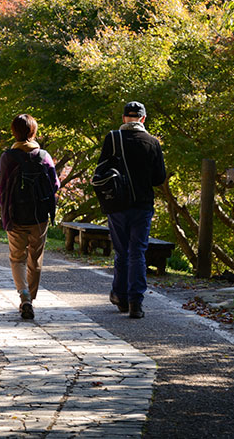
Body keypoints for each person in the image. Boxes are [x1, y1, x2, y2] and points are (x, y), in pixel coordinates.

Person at [97, 101, 166, 319]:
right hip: (143, 205)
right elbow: (159, 178)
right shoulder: (153, 142)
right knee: (138, 251)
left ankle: (120, 295)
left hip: (117, 204)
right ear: (143, 119)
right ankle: (136, 302)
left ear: (125, 118)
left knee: (122, 251)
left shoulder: (113, 138)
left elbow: (101, 171)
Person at [0, 114, 60, 320]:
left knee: (17, 258)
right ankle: (30, 298)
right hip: (39, 216)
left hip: (15, 216)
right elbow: (55, 185)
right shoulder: (43, 156)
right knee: (35, 259)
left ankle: (23, 296)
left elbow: (1, 188)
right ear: (33, 132)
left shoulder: (8, 157)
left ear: (14, 132)